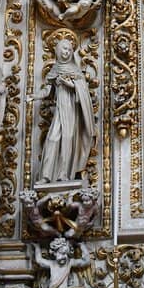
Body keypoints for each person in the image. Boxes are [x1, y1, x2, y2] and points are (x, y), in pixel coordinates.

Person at [35, 38, 95, 183]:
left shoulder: (75, 70)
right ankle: (46, 176)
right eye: (64, 49)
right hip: (59, 109)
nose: (66, 52)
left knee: (67, 140)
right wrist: (35, 96)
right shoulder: (55, 69)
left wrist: (70, 84)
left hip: (72, 111)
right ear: (57, 50)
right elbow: (48, 89)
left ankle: (63, 174)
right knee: (52, 139)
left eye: (69, 49)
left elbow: (83, 90)